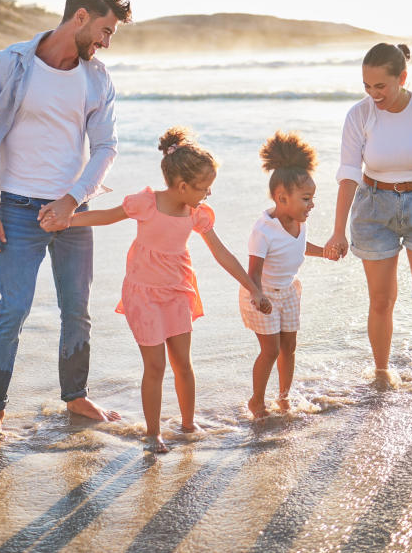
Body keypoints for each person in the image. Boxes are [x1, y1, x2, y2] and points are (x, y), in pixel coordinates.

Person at [0, 0, 132, 449]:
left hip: (74, 214)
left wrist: (72, 200)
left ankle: (76, 397)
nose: (106, 40)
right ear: (80, 17)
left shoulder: (97, 78)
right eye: (104, 29)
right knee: (12, 310)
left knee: (77, 310)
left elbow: (105, 147)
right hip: (16, 208)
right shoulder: (10, 63)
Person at [66, 127, 272, 452]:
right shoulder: (146, 203)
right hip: (144, 294)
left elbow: (222, 254)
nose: (207, 194)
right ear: (182, 186)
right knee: (156, 367)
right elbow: (107, 216)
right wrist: (68, 219)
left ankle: (188, 423)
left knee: (182, 363)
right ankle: (153, 433)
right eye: (204, 188)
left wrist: (253, 288)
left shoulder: (196, 214)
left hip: (178, 291)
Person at [324, 43, 412, 397]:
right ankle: (382, 374)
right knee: (381, 300)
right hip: (373, 209)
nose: (374, 95)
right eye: (367, 87)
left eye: (381, 86)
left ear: (402, 78)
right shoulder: (359, 115)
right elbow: (347, 174)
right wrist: (337, 231)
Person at [243, 131, 325, 418]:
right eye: (306, 198)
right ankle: (257, 401)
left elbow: (299, 247)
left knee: (289, 347)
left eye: (312, 198)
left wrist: (324, 251)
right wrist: (258, 296)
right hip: (261, 293)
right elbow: (253, 271)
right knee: (270, 350)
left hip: (289, 291)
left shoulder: (299, 221)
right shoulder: (263, 230)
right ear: (281, 197)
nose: (311, 205)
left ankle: (284, 397)